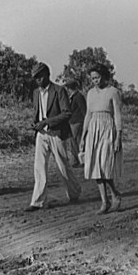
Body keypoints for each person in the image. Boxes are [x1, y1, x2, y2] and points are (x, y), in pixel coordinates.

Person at [25, 62, 81, 212]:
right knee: (39, 167)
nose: (38, 80)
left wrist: (46, 122)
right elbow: (38, 112)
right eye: (35, 78)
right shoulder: (36, 92)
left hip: (57, 133)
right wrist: (36, 123)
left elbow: (66, 113)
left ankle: (74, 193)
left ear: (47, 75)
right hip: (41, 134)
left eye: (40, 77)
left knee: (63, 165)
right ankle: (37, 201)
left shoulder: (59, 90)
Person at [80, 64, 123, 215]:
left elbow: (117, 115)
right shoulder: (90, 93)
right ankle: (105, 202)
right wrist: (83, 136)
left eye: (97, 77)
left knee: (105, 166)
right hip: (93, 129)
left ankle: (115, 194)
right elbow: (88, 115)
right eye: (92, 78)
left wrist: (118, 136)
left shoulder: (113, 92)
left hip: (107, 129)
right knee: (95, 166)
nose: (95, 81)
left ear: (104, 76)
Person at [63, 79, 87, 168]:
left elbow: (84, 110)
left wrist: (86, 123)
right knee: (73, 142)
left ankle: (80, 161)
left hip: (77, 122)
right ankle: (78, 160)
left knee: (76, 141)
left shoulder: (78, 96)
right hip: (73, 122)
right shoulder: (73, 96)